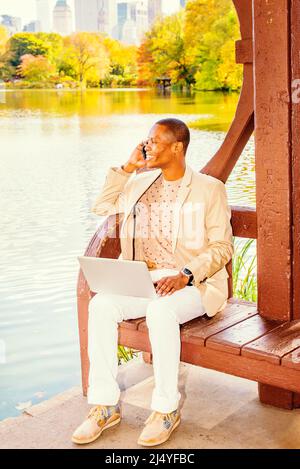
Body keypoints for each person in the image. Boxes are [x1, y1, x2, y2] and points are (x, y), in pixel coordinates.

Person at [72, 118, 233, 447]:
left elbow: (223, 247)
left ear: (178, 147)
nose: (148, 146)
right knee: (101, 305)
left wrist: (186, 273)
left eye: (155, 141)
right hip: (145, 280)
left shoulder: (209, 188)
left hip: (192, 284)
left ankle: (165, 409)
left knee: (161, 313)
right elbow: (102, 206)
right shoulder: (139, 183)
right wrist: (127, 167)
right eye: (146, 140)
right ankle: (104, 405)